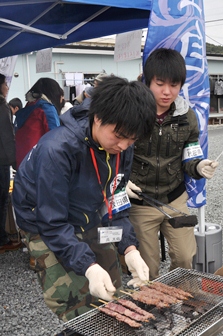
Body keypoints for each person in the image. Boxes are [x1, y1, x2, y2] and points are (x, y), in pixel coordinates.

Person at [12, 76, 156, 321]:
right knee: (76, 302)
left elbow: (115, 199)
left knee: (112, 289)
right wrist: (88, 267)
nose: (124, 145)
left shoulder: (123, 147)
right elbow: (53, 222)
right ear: (97, 118)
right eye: (119, 136)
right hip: (43, 221)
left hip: (88, 213)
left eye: (132, 140)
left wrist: (129, 248)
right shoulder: (57, 150)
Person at [125, 48, 218, 281]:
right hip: (141, 201)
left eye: (174, 85)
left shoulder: (187, 116)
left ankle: (181, 303)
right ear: (148, 81)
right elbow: (116, 151)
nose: (167, 92)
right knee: (148, 268)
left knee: (185, 257)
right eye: (159, 84)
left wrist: (198, 167)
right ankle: (151, 310)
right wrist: (121, 181)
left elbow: (190, 156)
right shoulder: (132, 112)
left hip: (175, 197)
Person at [14, 77, 61, 167]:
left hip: (22, 160)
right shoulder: (46, 108)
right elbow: (55, 137)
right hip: (38, 162)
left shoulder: (29, 106)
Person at [0, 74, 20, 253]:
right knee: (2, 199)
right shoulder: (2, 107)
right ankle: (2, 239)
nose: (7, 87)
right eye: (5, 84)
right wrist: (15, 161)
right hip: (1, 162)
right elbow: (7, 138)